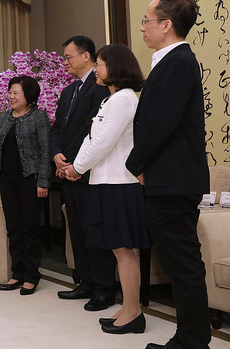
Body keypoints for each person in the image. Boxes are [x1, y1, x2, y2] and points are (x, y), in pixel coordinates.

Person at [126, 0, 210, 349]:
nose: (142, 27)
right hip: (168, 177)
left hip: (174, 179)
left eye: (147, 20)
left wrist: (137, 163)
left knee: (183, 263)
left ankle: (192, 342)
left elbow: (162, 122)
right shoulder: (171, 60)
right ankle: (190, 337)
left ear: (166, 24)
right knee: (179, 262)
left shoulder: (178, 61)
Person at [64, 44, 150, 334]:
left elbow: (105, 142)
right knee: (117, 249)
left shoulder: (124, 99)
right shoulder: (110, 100)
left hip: (119, 184)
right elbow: (92, 139)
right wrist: (77, 166)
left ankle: (134, 312)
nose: (97, 69)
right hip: (104, 181)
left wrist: (76, 168)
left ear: (115, 67)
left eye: (100, 64)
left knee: (124, 251)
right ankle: (127, 308)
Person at [49, 35, 117, 311]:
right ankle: (86, 282)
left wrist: (75, 163)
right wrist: (57, 156)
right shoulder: (68, 91)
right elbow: (56, 129)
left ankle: (104, 289)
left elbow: (94, 133)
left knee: (94, 229)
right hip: (68, 171)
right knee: (76, 229)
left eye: (68, 56)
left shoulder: (100, 88)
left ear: (86, 56)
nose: (65, 61)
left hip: (89, 172)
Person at [0, 75, 50, 295]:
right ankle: (17, 273)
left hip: (30, 180)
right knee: (13, 228)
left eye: (16, 93)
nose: (11, 96)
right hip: (7, 180)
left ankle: (32, 275)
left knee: (30, 228)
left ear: (29, 96)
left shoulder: (39, 117)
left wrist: (43, 181)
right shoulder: (4, 118)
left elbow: (45, 151)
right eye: (10, 92)